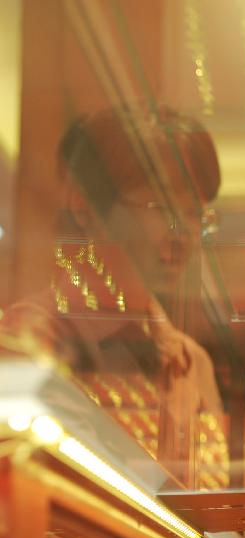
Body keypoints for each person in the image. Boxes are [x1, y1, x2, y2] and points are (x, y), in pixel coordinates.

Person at [0, 105, 224, 489]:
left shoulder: (192, 362)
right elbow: (54, 500)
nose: (182, 233)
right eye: (160, 209)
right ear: (84, 205)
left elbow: (214, 498)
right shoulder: (31, 338)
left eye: (195, 215)